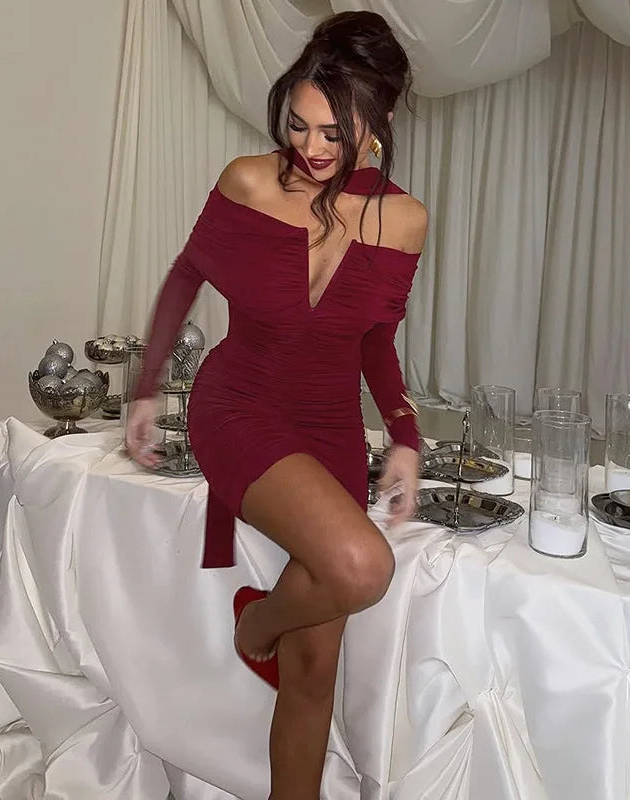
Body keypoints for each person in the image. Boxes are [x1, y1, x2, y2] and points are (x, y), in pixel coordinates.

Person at [126, 10, 427, 799]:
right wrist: (147, 387)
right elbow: (186, 275)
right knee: (361, 564)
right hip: (239, 405)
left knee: (315, 675)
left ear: (380, 122)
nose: (312, 148)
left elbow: (373, 343)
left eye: (336, 132)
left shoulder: (404, 221)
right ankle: (254, 622)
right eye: (299, 125)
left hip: (327, 425)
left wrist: (404, 434)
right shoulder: (249, 180)